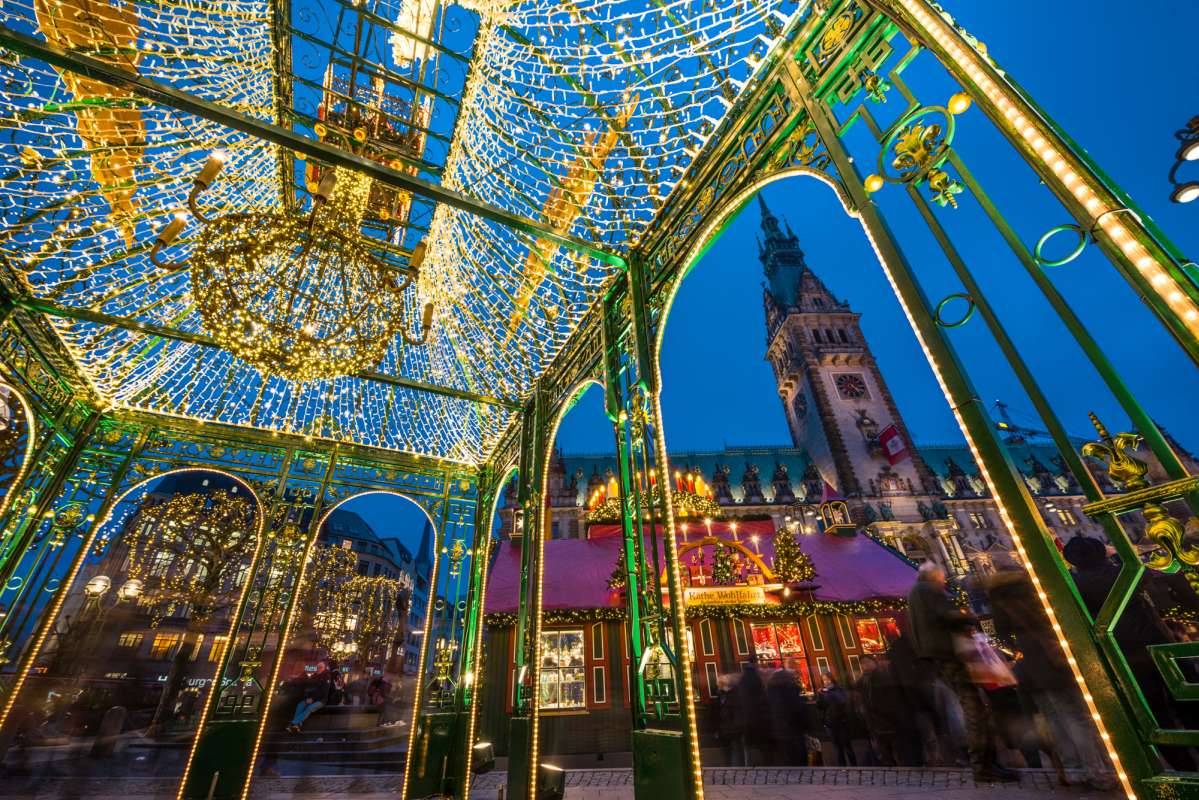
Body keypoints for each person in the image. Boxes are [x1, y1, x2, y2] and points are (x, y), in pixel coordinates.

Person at [906, 561, 1015, 782]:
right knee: (974, 708)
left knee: (970, 705)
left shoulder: (914, 593)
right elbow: (945, 615)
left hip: (937, 655)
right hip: (950, 653)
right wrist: (969, 617)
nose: (944, 581)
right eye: (942, 578)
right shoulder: (929, 590)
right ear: (936, 576)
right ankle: (983, 764)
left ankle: (983, 762)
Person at [817, 671, 855, 766]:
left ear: (832, 679)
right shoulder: (823, 691)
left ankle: (854, 765)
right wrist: (820, 696)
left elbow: (841, 700)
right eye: (824, 680)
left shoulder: (838, 689)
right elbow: (821, 706)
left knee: (847, 745)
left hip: (841, 721)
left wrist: (828, 692)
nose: (826, 682)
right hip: (829, 722)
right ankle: (842, 766)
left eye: (828, 679)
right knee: (837, 747)